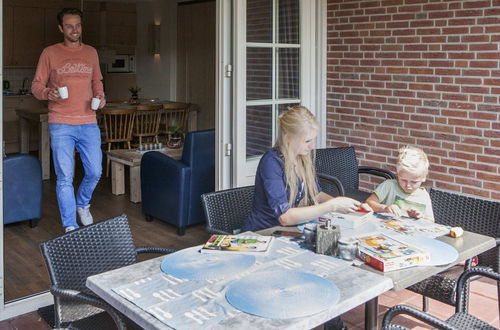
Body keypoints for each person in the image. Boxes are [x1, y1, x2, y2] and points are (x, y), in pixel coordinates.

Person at [32, 8, 106, 232]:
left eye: (78, 25)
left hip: (88, 121)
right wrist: (48, 93)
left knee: (95, 171)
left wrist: (101, 97)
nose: (75, 30)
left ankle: (82, 203)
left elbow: (97, 82)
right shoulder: (49, 53)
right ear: (61, 28)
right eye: (69, 26)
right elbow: (36, 86)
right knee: (65, 176)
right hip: (61, 122)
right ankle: (70, 226)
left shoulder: (91, 53)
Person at [241, 106, 368, 232]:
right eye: (307, 141)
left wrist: (350, 206)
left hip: (288, 230)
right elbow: (284, 217)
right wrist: (332, 206)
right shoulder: (271, 162)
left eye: (313, 140)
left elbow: (316, 194)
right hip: (264, 232)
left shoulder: (302, 158)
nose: (312, 146)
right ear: (287, 138)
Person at [365, 146, 434, 220]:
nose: (408, 185)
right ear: (397, 175)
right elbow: (368, 203)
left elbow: (430, 222)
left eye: (414, 182)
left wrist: (418, 217)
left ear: (423, 178)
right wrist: (385, 208)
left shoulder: (424, 196)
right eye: (404, 180)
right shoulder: (389, 186)